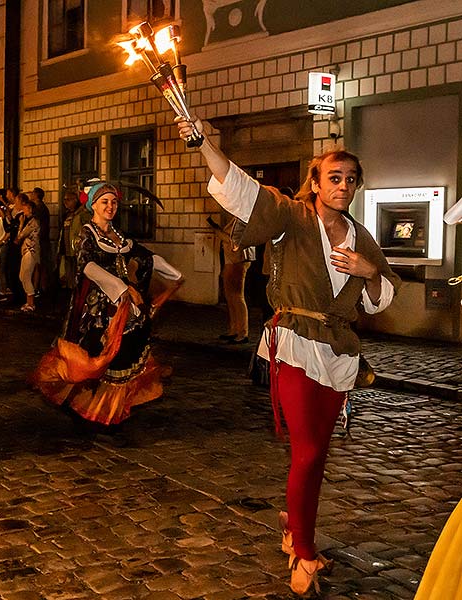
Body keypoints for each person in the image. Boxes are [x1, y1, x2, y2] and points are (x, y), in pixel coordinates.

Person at [176, 116, 400, 597]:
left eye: (350, 179)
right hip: (294, 344)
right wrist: (203, 143)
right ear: (315, 183)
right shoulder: (291, 217)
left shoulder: (361, 237)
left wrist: (367, 270)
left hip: (339, 353)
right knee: (309, 450)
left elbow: (381, 295)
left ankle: (292, 524)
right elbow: (242, 190)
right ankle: (303, 552)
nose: (343, 186)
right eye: (334, 178)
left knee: (316, 456)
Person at [32, 181, 183, 431]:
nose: (110, 206)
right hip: (98, 305)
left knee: (127, 349)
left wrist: (173, 274)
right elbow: (88, 266)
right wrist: (120, 289)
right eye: (104, 202)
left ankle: (115, 404)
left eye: (113, 202)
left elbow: (143, 255)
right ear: (93, 204)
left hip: (124, 303)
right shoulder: (86, 233)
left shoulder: (119, 235)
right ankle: (95, 404)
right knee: (97, 350)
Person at [209, 214, 251, 344]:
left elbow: (233, 240)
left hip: (238, 260)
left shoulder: (242, 219)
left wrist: (217, 231)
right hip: (231, 260)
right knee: (230, 296)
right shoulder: (235, 219)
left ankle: (243, 332)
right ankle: (234, 329)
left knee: (237, 296)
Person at [57, 188, 90, 292]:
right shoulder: (67, 214)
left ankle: (76, 290)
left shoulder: (81, 214)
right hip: (66, 248)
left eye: (68, 200)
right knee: (67, 272)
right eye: (64, 200)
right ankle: (70, 290)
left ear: (75, 200)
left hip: (76, 248)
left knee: (77, 271)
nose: (65, 202)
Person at [15, 195, 40, 312]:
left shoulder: (32, 222)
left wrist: (20, 224)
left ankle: (31, 302)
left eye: (24, 209)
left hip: (31, 250)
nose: (23, 211)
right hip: (26, 250)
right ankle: (28, 300)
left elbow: (20, 235)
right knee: (22, 276)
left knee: (26, 275)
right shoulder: (29, 221)